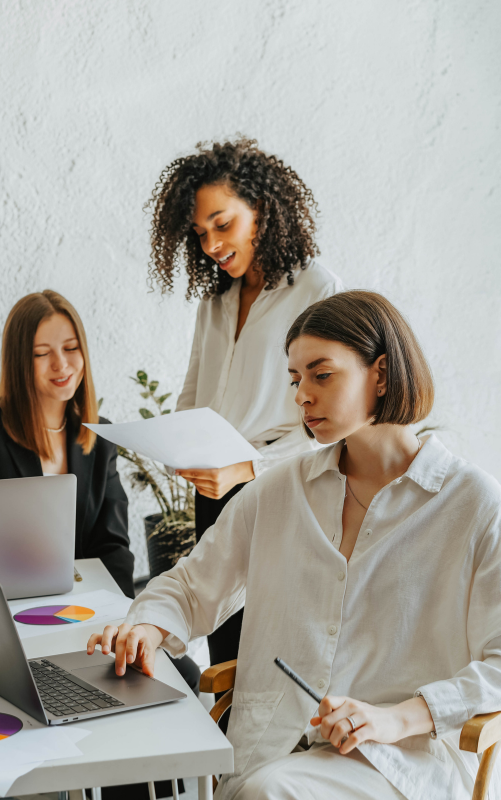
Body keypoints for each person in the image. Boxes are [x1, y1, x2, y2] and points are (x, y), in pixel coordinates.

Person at [87, 291, 501, 800]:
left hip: (403, 763)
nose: (302, 395)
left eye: (321, 375)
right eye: (294, 379)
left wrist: (397, 718)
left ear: (382, 374)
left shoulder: (473, 503)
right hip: (274, 748)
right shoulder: (280, 490)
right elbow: (193, 586)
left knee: (268, 793)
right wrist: (147, 628)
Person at [147, 137, 344, 665]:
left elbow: (331, 421)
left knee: (273, 652)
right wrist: (178, 449)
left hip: (280, 489)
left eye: (222, 224)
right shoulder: (216, 300)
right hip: (214, 493)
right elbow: (193, 395)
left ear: (260, 209)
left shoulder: (316, 290)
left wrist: (248, 468)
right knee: (224, 653)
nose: (211, 244)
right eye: (200, 233)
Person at [0, 290, 136, 596]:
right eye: (41, 354)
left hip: (80, 607)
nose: (61, 364)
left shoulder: (100, 436)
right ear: (19, 362)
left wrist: (123, 614)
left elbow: (113, 548)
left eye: (71, 348)